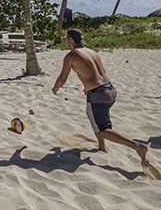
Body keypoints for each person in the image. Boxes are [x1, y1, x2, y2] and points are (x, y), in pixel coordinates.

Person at [52, 28, 149, 167]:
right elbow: (99, 73)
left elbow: (63, 77)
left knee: (102, 129)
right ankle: (101, 145)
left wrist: (56, 87)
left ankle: (136, 146)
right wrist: (88, 87)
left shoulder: (71, 55)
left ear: (72, 40)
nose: (66, 40)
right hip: (110, 90)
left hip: (97, 94)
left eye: (67, 38)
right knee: (94, 116)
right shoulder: (92, 52)